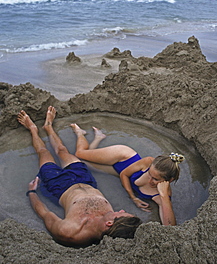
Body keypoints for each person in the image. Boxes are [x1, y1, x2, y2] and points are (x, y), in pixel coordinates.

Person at [17, 106, 142, 248]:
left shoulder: (71, 231)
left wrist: (31, 192)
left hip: (58, 186)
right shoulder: (116, 226)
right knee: (62, 150)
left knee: (43, 152)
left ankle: (33, 129)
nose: (120, 210)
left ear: (109, 223)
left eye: (121, 214)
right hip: (85, 179)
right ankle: (48, 127)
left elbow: (45, 214)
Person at [71, 124, 185, 226]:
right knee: (79, 154)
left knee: (81, 163)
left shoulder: (162, 195)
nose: (150, 180)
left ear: (169, 180)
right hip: (122, 157)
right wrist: (133, 197)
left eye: (155, 179)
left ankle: (99, 138)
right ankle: (80, 133)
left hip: (117, 171)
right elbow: (124, 174)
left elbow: (169, 226)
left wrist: (164, 197)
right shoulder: (148, 162)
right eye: (149, 174)